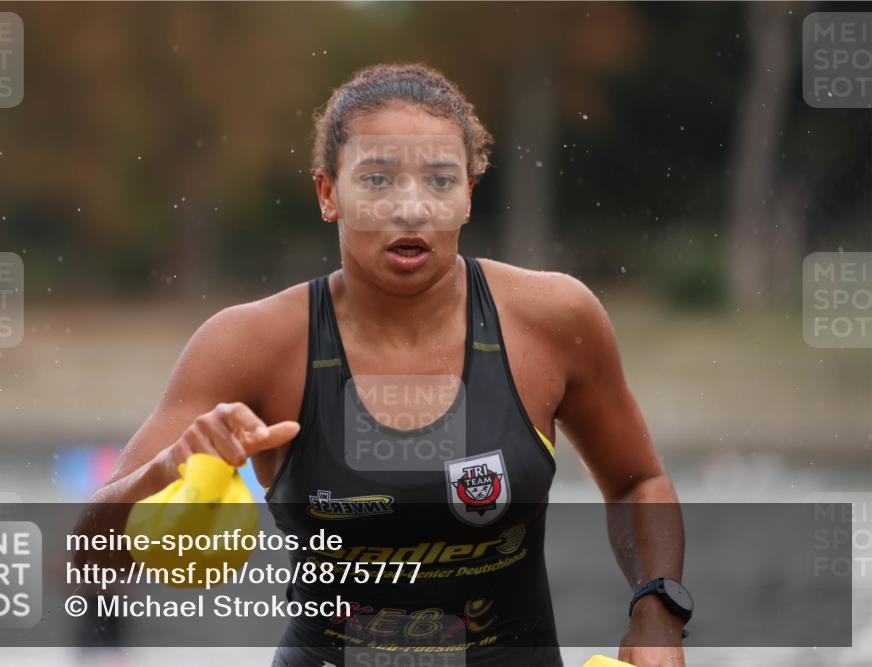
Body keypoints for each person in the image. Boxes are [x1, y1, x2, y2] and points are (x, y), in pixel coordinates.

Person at [87, 63, 689, 667]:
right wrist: (168, 469)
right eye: (377, 180)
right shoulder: (251, 344)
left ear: (468, 197)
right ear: (328, 193)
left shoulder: (554, 319)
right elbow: (86, 555)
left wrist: (656, 610)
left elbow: (638, 481)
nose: (411, 208)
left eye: (440, 180)